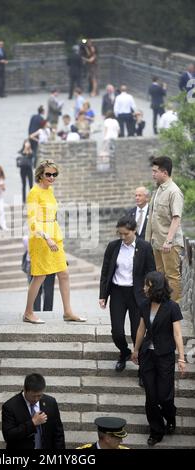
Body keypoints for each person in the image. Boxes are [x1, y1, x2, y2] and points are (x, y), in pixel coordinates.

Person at [23, 160, 87, 324]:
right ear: (40, 175)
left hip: (55, 236)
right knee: (40, 276)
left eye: (54, 174)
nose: (52, 177)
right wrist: (46, 236)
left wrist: (53, 235)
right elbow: (32, 220)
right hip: (41, 238)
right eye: (48, 174)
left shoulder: (49, 191)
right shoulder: (33, 192)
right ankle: (28, 312)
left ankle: (68, 312)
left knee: (64, 273)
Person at [132, 271, 186, 446]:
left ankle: (170, 416)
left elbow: (177, 334)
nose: (144, 287)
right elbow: (141, 329)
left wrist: (182, 358)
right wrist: (135, 350)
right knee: (151, 396)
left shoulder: (172, 307)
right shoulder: (144, 304)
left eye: (147, 284)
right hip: (147, 355)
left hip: (165, 356)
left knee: (165, 396)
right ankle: (156, 431)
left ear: (155, 286)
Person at [99, 216, 156, 380]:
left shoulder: (144, 247)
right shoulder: (113, 246)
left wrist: (150, 294)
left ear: (134, 231)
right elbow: (105, 272)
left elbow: (151, 272)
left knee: (136, 332)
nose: (123, 237)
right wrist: (103, 295)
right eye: (120, 234)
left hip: (137, 294)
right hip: (117, 292)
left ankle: (142, 367)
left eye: (126, 234)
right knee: (117, 332)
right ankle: (124, 352)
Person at [145, 156, 184, 302]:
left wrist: (168, 241)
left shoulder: (174, 192)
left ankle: (173, 310)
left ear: (165, 172)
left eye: (155, 171)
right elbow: (152, 218)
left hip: (170, 244)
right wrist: (147, 241)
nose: (153, 174)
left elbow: (176, 218)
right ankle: (162, 308)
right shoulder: (158, 191)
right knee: (159, 276)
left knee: (172, 276)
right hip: (157, 242)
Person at [2, 373, 65, 450]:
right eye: (33, 396)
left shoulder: (50, 402)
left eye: (39, 396)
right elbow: (8, 436)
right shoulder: (10, 406)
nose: (36, 399)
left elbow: (58, 433)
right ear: (25, 390)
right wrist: (32, 423)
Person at [23, 235, 56, 312]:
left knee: (39, 287)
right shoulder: (50, 234)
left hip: (38, 262)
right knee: (47, 288)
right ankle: (46, 311)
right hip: (44, 262)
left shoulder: (27, 237)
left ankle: (37, 310)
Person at [18, 140, 34, 204]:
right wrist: (25, 149)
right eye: (26, 143)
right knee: (24, 185)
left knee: (31, 185)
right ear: (24, 144)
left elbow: (31, 156)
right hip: (23, 169)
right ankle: (24, 200)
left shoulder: (31, 151)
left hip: (29, 169)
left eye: (28, 143)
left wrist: (28, 149)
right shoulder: (21, 151)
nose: (27, 144)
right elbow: (20, 156)